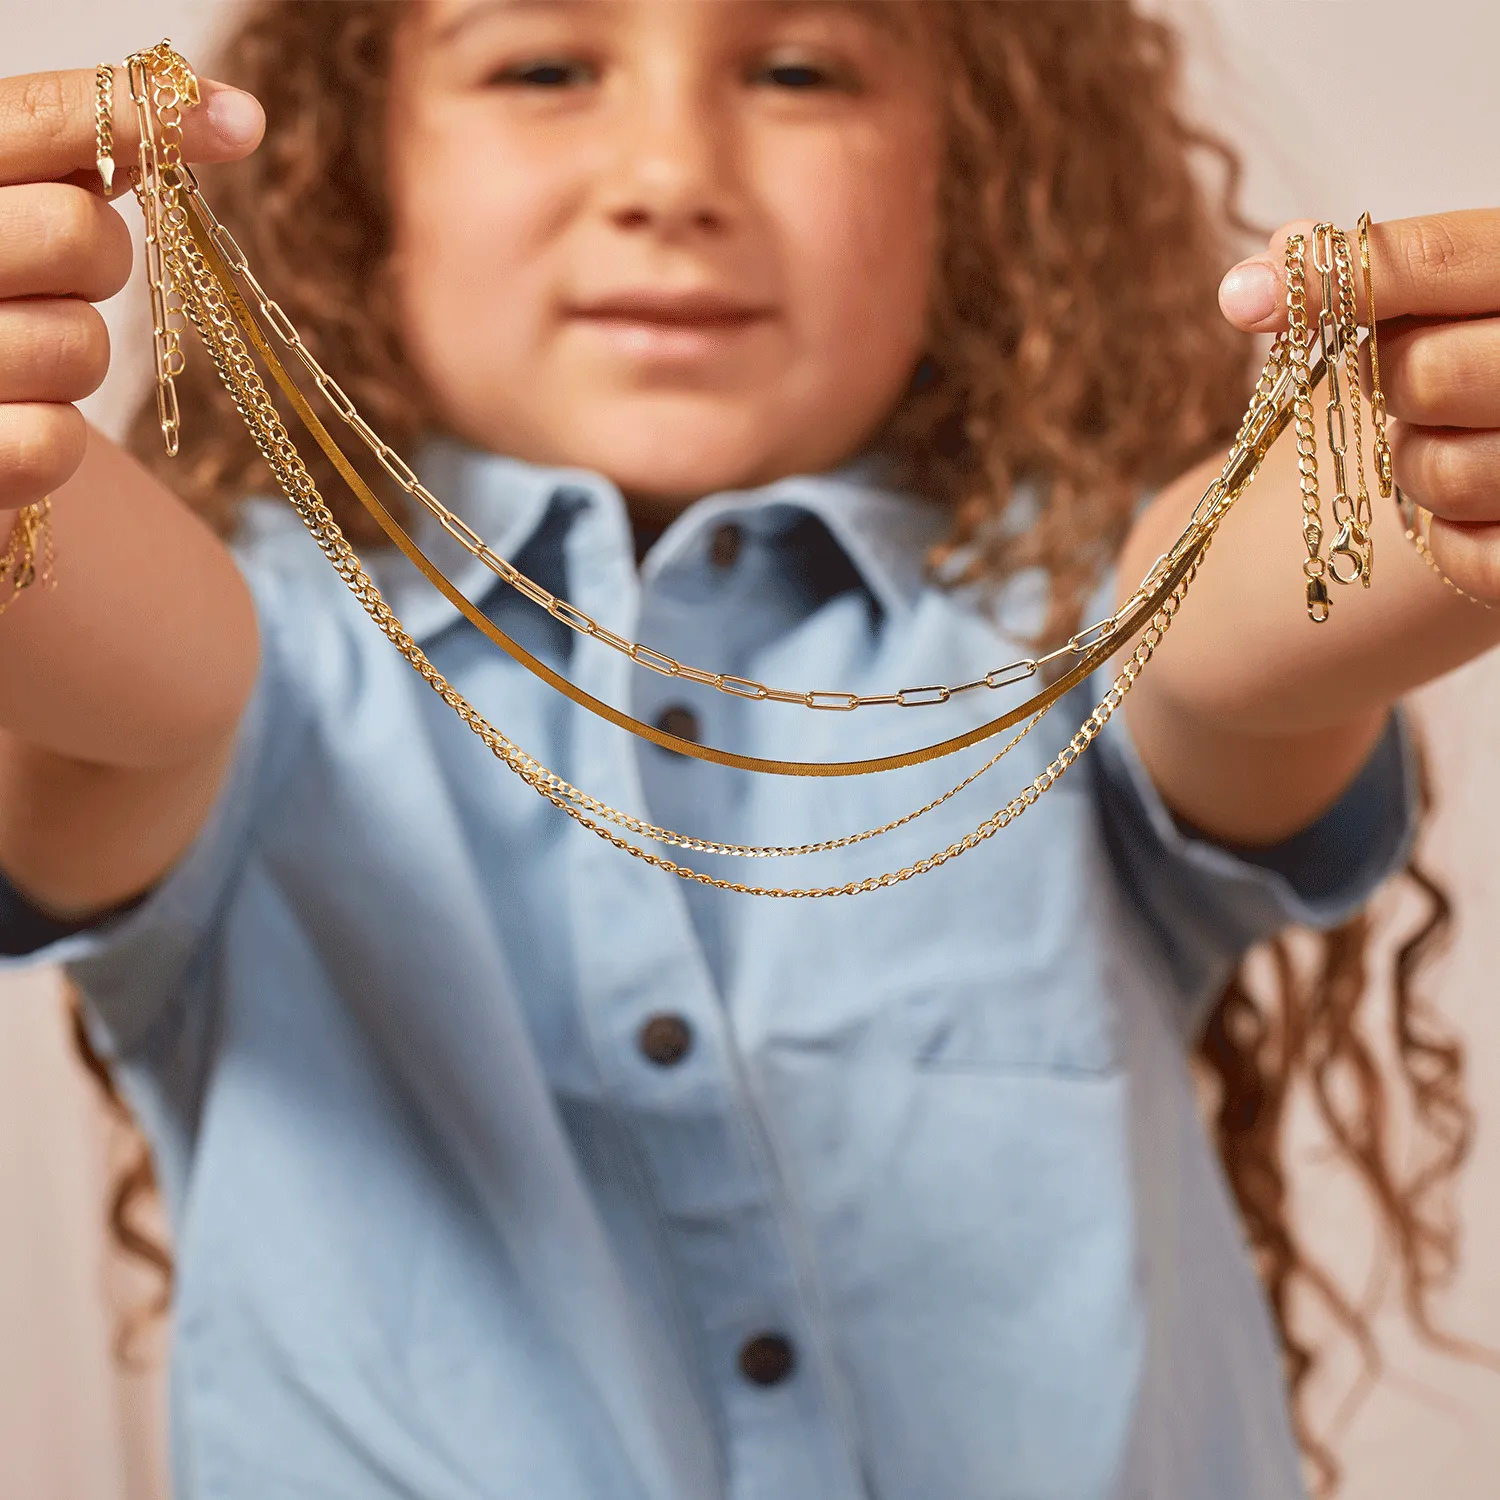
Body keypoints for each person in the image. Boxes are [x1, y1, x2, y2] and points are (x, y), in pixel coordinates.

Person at [1, 3, 1497, 1496]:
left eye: (798, 72)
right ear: (362, 167)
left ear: (963, 168)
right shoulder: (282, 649)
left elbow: (1210, 628)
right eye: (543, 67)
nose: (672, 173)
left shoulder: (1048, 636)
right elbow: (139, 661)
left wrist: (1404, 478)